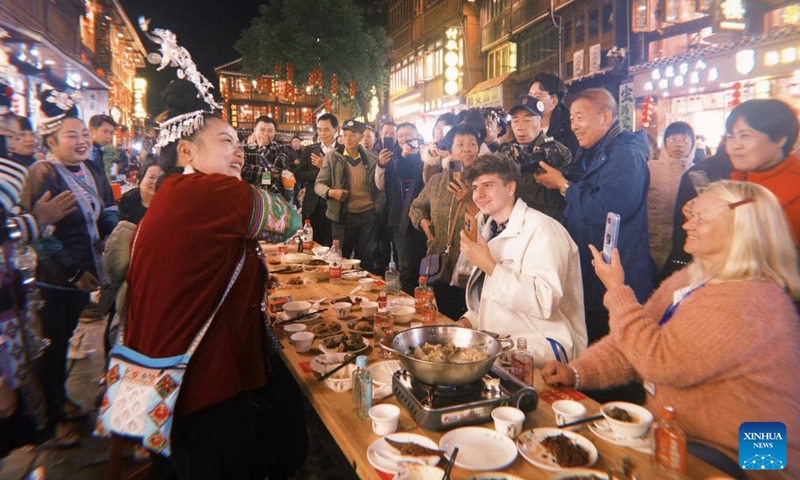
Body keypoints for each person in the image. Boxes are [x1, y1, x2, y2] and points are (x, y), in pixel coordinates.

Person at [542, 181, 800, 480]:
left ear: (742, 228)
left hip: (747, 460)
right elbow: (632, 340)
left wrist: (616, 289)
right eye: (691, 215)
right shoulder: (692, 278)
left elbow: (657, 359)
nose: (688, 224)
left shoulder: (753, 300)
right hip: (682, 440)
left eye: (702, 218)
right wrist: (576, 372)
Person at [125, 75, 305, 478]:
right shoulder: (206, 192)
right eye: (226, 142)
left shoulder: (177, 192)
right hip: (200, 386)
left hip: (168, 380)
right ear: (186, 150)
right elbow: (287, 220)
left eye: (239, 143)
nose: (239, 152)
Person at [21, 88, 118, 447]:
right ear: (51, 138)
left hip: (90, 269)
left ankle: (61, 399)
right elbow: (41, 236)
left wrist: (123, 228)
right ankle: (50, 419)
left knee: (66, 338)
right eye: (71, 135)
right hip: (56, 279)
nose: (81, 141)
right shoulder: (42, 173)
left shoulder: (91, 167)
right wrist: (73, 272)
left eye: (82, 134)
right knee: (53, 345)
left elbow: (107, 210)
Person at [535, 88, 652, 345]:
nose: (574, 126)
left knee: (613, 351)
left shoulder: (625, 155)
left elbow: (608, 211)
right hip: (595, 273)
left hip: (618, 275)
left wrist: (563, 185)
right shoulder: (595, 151)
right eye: (572, 120)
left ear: (605, 117)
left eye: (580, 117)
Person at [457, 153, 587, 366]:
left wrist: (489, 266)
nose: (479, 194)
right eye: (474, 187)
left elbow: (544, 302)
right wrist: (467, 321)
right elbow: (492, 300)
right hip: (501, 347)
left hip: (543, 350)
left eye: (488, 185)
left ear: (510, 188)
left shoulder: (543, 230)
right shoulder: (490, 230)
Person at [661, 99, 800, 280]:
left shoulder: (794, 190)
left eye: (745, 135)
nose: (735, 145)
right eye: (730, 136)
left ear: (780, 139)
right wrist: (698, 216)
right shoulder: (734, 181)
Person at [409, 124, 481, 319]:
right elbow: (416, 206)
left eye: (472, 144)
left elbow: (492, 220)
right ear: (449, 150)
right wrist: (423, 222)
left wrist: (469, 201)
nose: (467, 149)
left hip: (470, 265)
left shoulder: (483, 182)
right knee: (437, 315)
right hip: (437, 260)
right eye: (460, 144)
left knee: (466, 317)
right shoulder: (437, 181)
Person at [315, 119, 383, 268]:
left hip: (367, 215)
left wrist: (378, 208)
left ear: (361, 136)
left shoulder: (371, 159)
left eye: (352, 135)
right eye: (345, 135)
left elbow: (379, 188)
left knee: (366, 258)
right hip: (342, 215)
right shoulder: (332, 157)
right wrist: (331, 192)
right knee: (340, 258)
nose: (348, 139)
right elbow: (318, 184)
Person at [499, 95, 574, 223]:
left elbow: (551, 198)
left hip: (548, 225)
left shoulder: (556, 151)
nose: (520, 127)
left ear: (542, 122)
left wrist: (514, 181)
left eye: (527, 120)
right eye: (515, 121)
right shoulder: (507, 152)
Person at [376, 122, 427, 293]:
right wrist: (381, 165)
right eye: (401, 136)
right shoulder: (392, 157)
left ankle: (416, 296)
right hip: (399, 218)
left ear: (417, 135)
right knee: (403, 265)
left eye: (408, 134)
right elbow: (380, 185)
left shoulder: (426, 155)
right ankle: (405, 298)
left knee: (421, 262)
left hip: (423, 217)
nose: (404, 138)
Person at [648, 121, 697, 269]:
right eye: (673, 140)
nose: (679, 145)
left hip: (685, 245)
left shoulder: (698, 173)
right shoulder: (650, 168)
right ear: (664, 142)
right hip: (651, 243)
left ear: (693, 144)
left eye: (685, 140)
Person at [291, 113, 338, 246]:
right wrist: (320, 171)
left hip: (335, 206)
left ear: (336, 129)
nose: (322, 133)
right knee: (312, 245)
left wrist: (325, 165)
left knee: (332, 245)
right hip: (313, 205)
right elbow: (298, 174)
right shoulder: (309, 150)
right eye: (319, 129)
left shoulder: (342, 151)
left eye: (326, 129)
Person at [241, 115, 296, 202]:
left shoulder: (281, 148)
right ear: (255, 130)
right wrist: (268, 172)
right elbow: (242, 172)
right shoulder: (245, 149)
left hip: (275, 198)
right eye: (262, 130)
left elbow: (277, 170)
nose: (266, 134)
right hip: (250, 198)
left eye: (270, 131)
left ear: (275, 132)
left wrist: (261, 148)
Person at [528, 72, 578, 155]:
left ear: (553, 101)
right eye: (530, 96)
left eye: (537, 97)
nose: (531, 101)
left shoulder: (569, 127)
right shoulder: (520, 123)